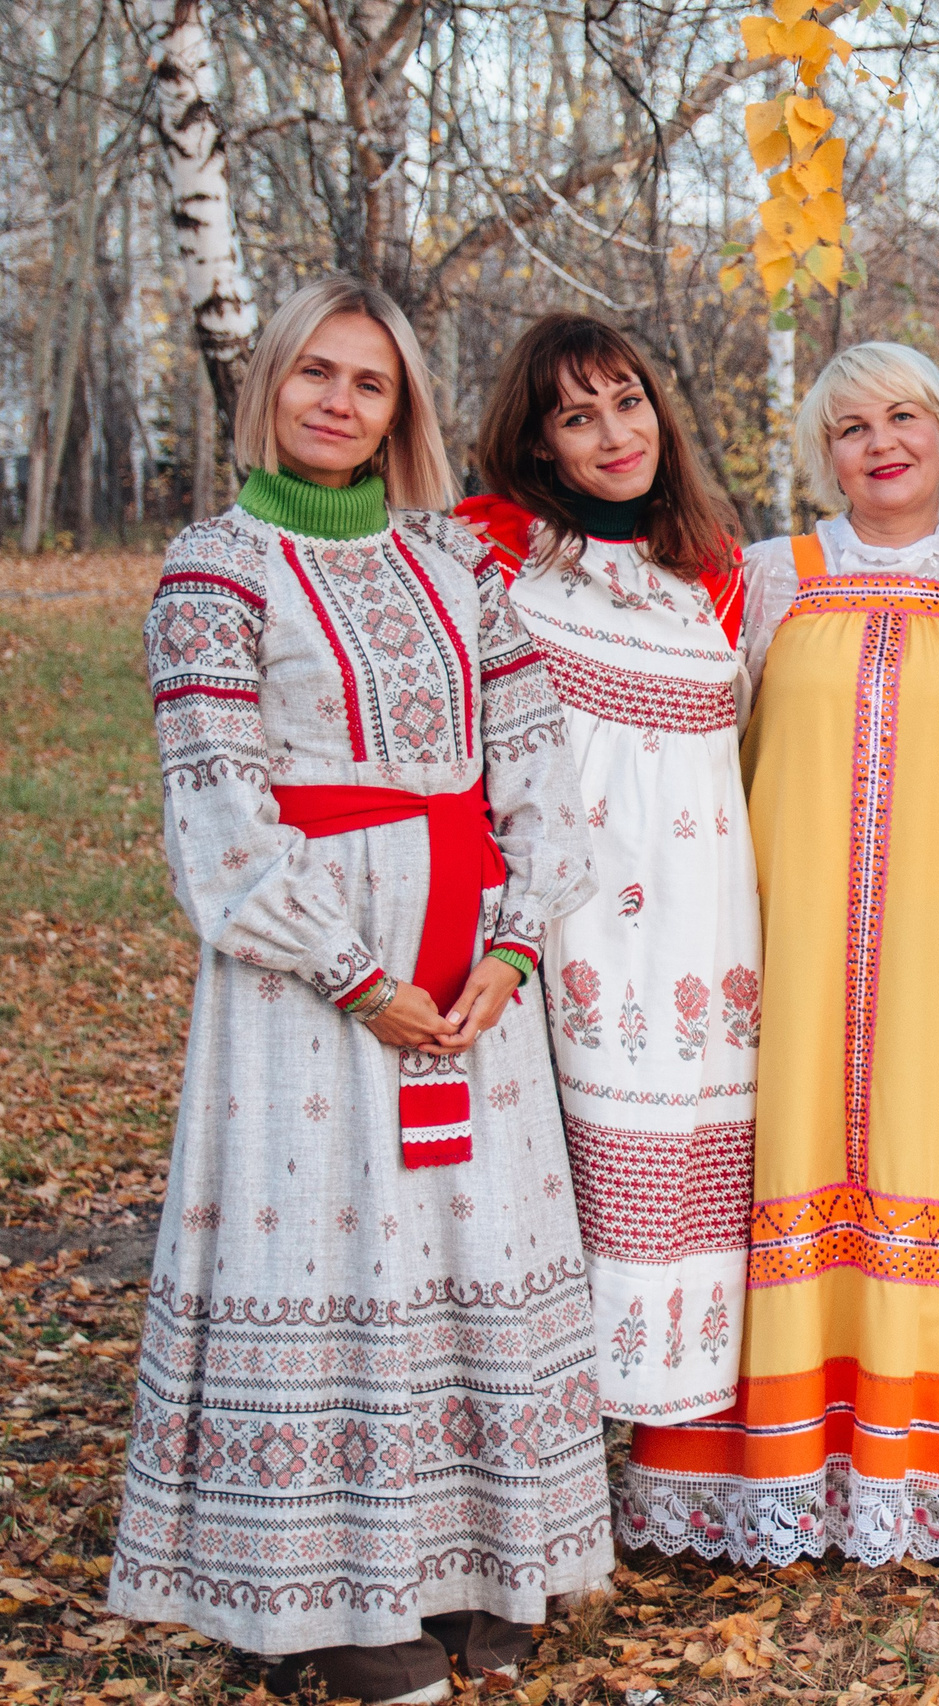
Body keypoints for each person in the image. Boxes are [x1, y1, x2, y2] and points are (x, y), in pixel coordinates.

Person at [110, 275, 604, 1703]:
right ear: (268, 385)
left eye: (369, 382)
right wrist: (358, 974)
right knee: (336, 1249)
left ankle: (476, 1556)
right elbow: (218, 805)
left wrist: (509, 948)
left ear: (402, 411)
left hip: (474, 980)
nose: (338, 400)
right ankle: (325, 1593)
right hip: (311, 992)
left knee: (463, 1247)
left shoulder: (455, 568)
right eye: (314, 373)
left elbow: (537, 769)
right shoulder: (218, 565)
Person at [615, 342, 939, 1571]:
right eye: (851, 426)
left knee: (933, 1152)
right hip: (785, 954)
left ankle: (928, 1469)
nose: (882, 443)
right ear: (820, 450)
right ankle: (765, 1468)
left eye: (905, 415)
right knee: (778, 1158)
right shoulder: (766, 580)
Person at [456, 313, 758, 1434]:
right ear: (540, 445)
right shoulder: (483, 549)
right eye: (578, 417)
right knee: (532, 1177)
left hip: (695, 932)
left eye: (626, 401)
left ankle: (645, 1427)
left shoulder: (716, 571)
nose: (614, 432)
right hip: (548, 923)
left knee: (672, 1168)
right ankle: (527, 1441)